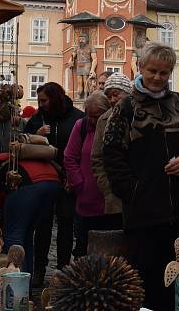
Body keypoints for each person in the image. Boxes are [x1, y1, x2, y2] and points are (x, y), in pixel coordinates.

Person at [103, 42, 179, 311]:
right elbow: (111, 155)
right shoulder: (126, 109)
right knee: (148, 285)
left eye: (164, 73)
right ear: (140, 68)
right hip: (144, 216)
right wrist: (134, 191)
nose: (157, 77)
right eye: (152, 70)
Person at [25, 82, 84, 286]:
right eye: (39, 100)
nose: (40, 104)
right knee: (42, 225)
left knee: (66, 224)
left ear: (55, 98)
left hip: (68, 179)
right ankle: (39, 269)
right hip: (44, 178)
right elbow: (24, 143)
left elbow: (81, 151)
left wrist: (74, 177)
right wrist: (36, 136)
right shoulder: (37, 119)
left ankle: (63, 269)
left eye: (44, 100)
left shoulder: (77, 117)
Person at [63, 92, 121, 257]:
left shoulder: (115, 126)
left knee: (111, 248)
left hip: (110, 201)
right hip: (86, 200)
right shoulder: (81, 126)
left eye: (97, 116)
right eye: (90, 116)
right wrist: (79, 184)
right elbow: (70, 157)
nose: (94, 120)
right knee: (84, 246)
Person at [90, 74, 133, 224]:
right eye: (109, 96)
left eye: (116, 94)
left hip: (142, 189)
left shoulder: (139, 115)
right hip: (114, 192)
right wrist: (107, 188)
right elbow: (97, 158)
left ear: (128, 93)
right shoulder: (103, 120)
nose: (113, 99)